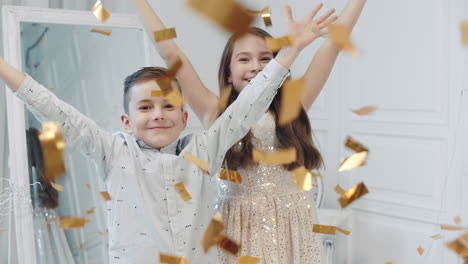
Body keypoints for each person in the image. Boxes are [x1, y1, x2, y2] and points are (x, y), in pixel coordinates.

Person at [0, 15, 318, 262]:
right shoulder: (112, 152)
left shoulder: (205, 149)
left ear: (183, 118)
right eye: (145, 107)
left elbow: (249, 106)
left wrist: (290, 53)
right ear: (126, 121)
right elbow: (53, 109)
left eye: (168, 106)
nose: (157, 114)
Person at [134, 0, 367, 263]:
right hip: (240, 225)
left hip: (295, 221)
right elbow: (170, 51)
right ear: (228, 74)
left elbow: (333, 45)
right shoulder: (215, 111)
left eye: (266, 58)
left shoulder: (294, 105)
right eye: (244, 59)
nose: (256, 66)